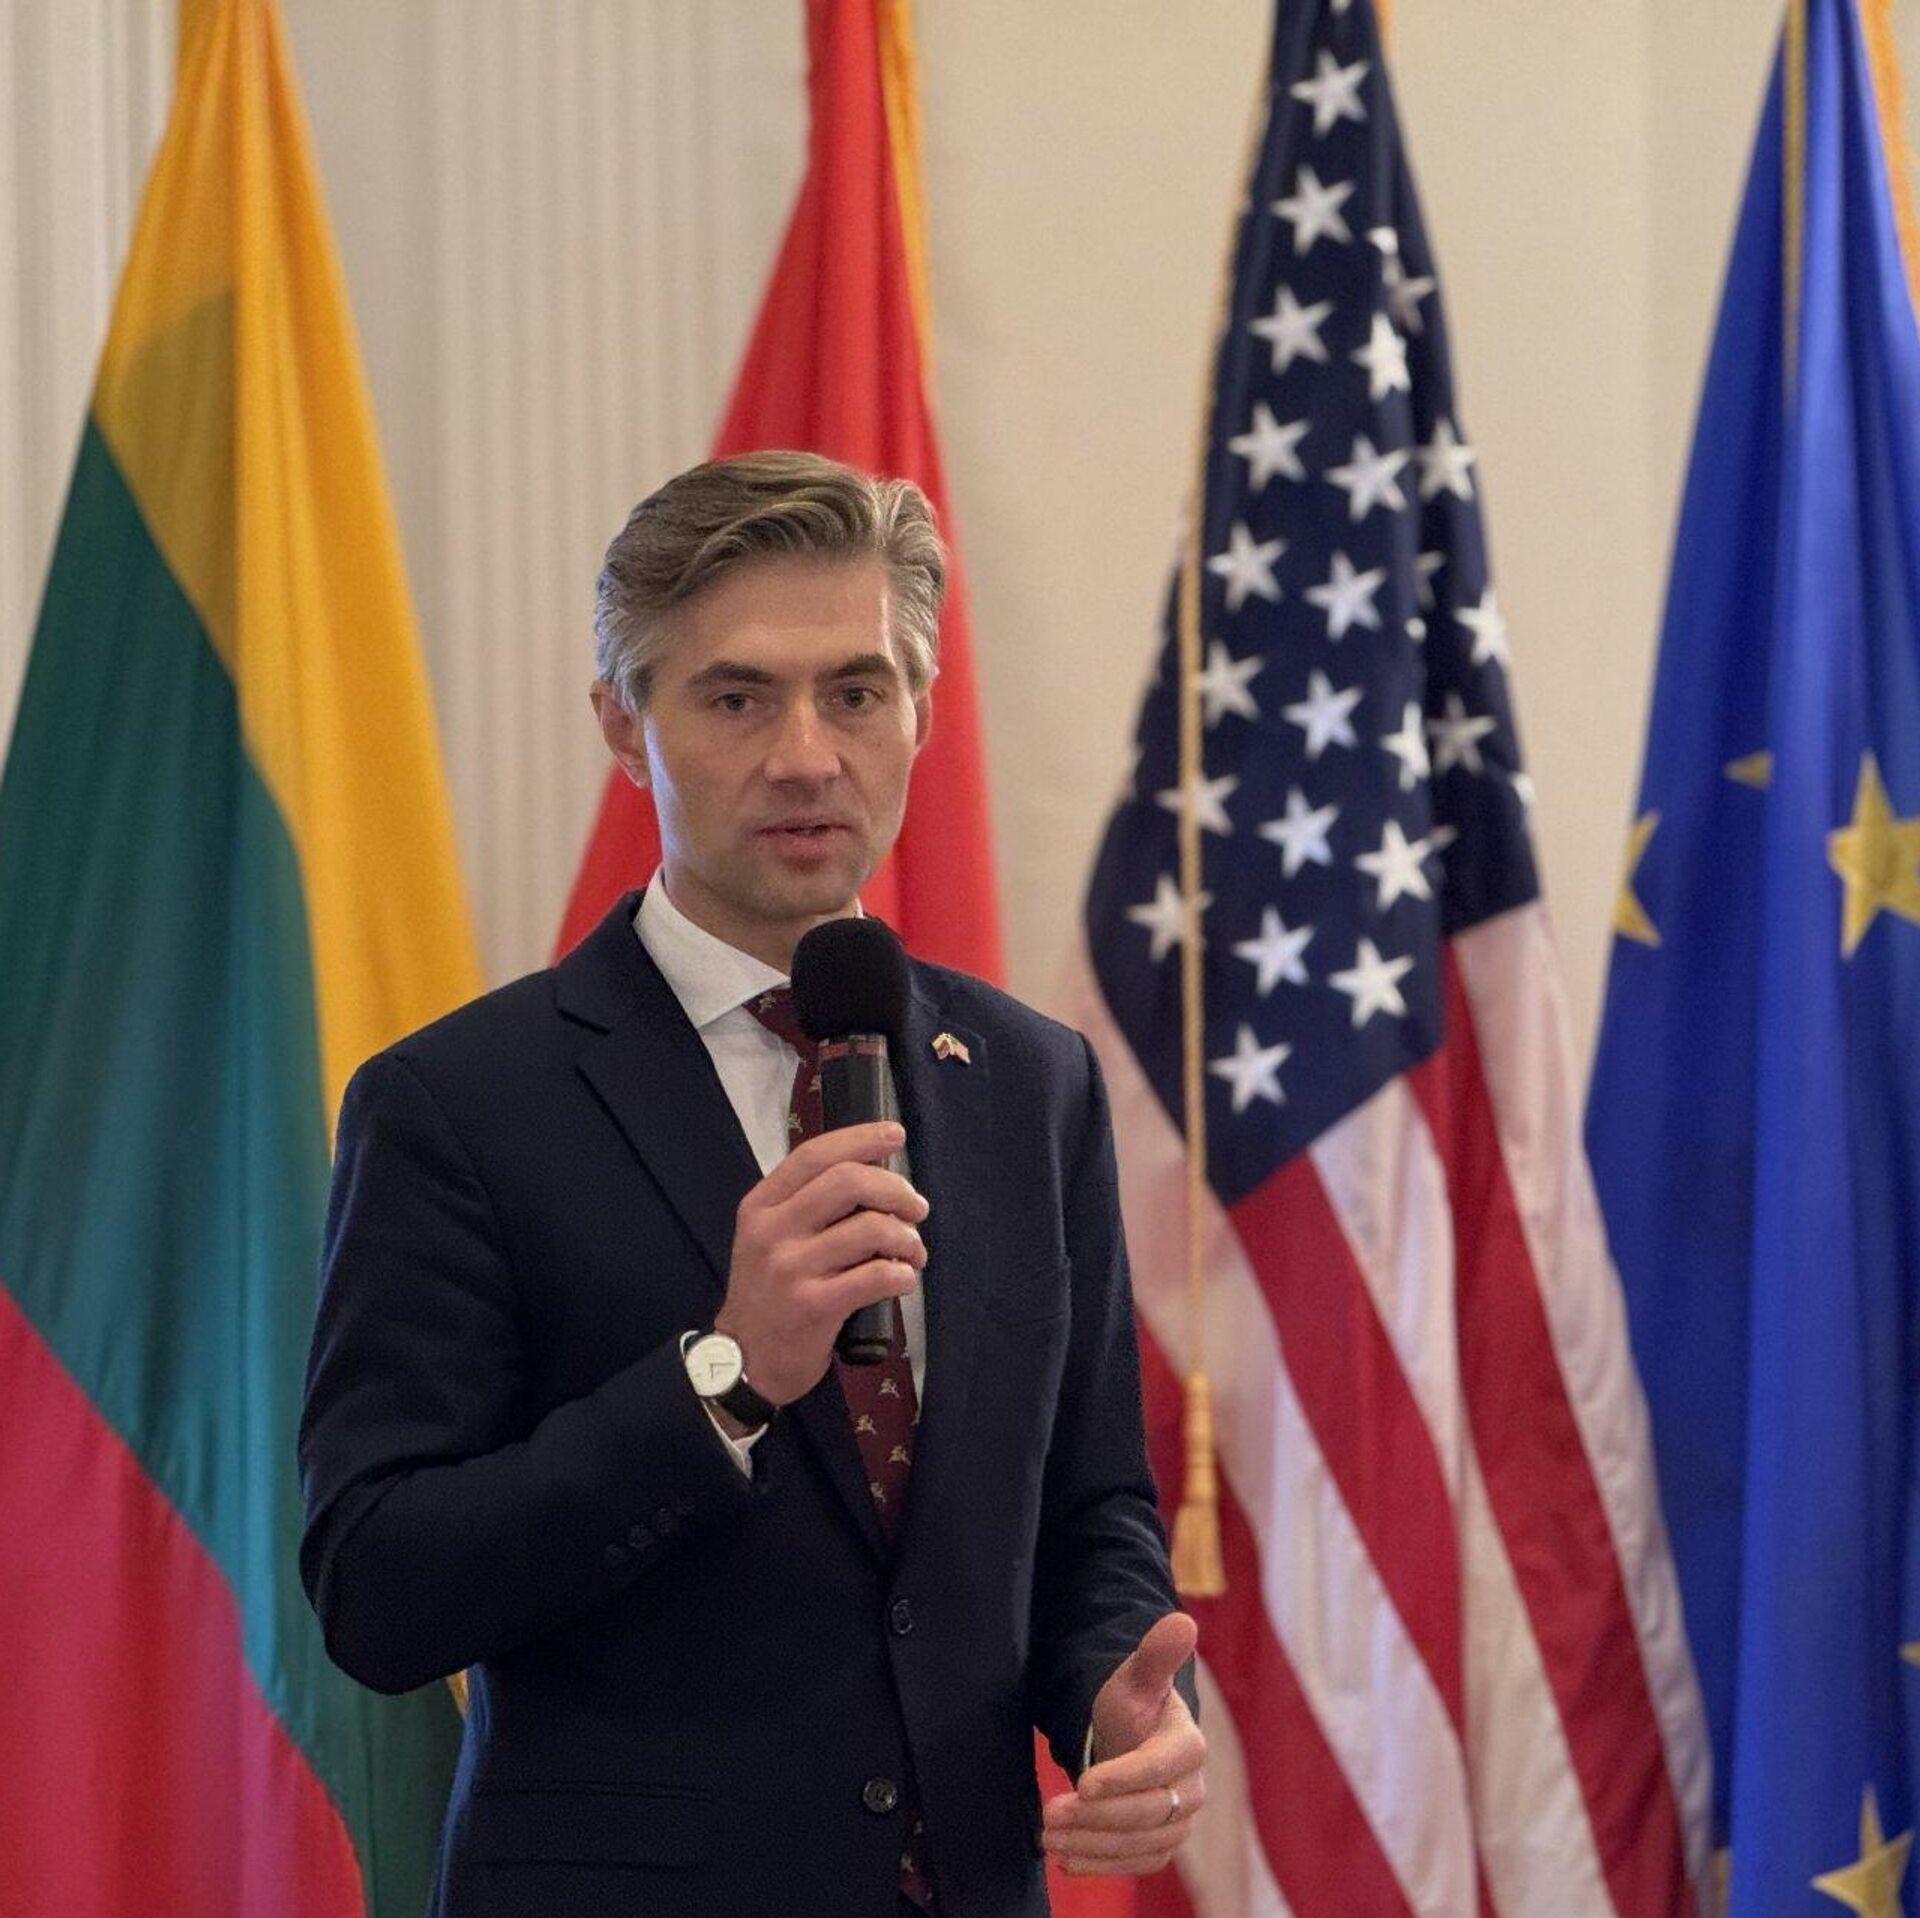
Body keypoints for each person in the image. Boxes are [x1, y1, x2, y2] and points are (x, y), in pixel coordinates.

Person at [298, 451, 1205, 1917]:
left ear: (918, 709)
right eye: (736, 699)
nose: (807, 754)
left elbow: (1087, 1504)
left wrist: (1118, 1700)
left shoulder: (1032, 1082)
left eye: (856, 692)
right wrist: (721, 1378)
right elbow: (378, 1588)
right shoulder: (456, 1107)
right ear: (625, 722)